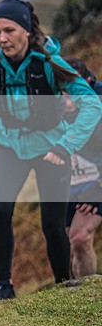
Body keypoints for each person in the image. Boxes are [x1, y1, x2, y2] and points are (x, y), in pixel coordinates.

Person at [0, 0, 102, 301]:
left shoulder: (52, 63)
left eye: (9, 30)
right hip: (9, 144)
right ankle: (4, 285)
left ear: (27, 31)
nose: (2, 38)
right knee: (0, 210)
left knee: (53, 225)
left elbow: (92, 104)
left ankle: (62, 286)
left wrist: (67, 144)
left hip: (50, 147)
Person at [63, 58, 102, 277]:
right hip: (69, 183)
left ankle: (88, 298)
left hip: (96, 180)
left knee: (80, 238)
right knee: (69, 247)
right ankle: (75, 298)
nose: (68, 101)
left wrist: (96, 188)